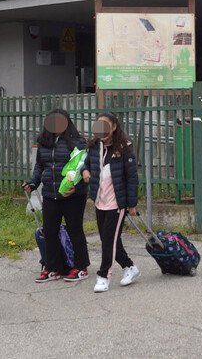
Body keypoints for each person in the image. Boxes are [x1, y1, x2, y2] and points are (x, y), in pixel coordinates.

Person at [22, 109, 90, 283]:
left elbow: (85, 168)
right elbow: (39, 166)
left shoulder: (79, 142)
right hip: (50, 194)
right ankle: (52, 268)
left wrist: (78, 187)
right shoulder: (44, 142)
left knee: (75, 230)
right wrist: (32, 182)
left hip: (73, 195)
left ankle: (81, 267)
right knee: (50, 231)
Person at [81, 112, 140, 293]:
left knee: (108, 241)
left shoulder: (124, 148)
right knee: (110, 240)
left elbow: (132, 178)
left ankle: (103, 276)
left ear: (114, 126)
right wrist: (85, 171)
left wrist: (131, 205)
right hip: (100, 201)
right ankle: (130, 267)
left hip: (117, 203)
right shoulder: (94, 146)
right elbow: (86, 164)